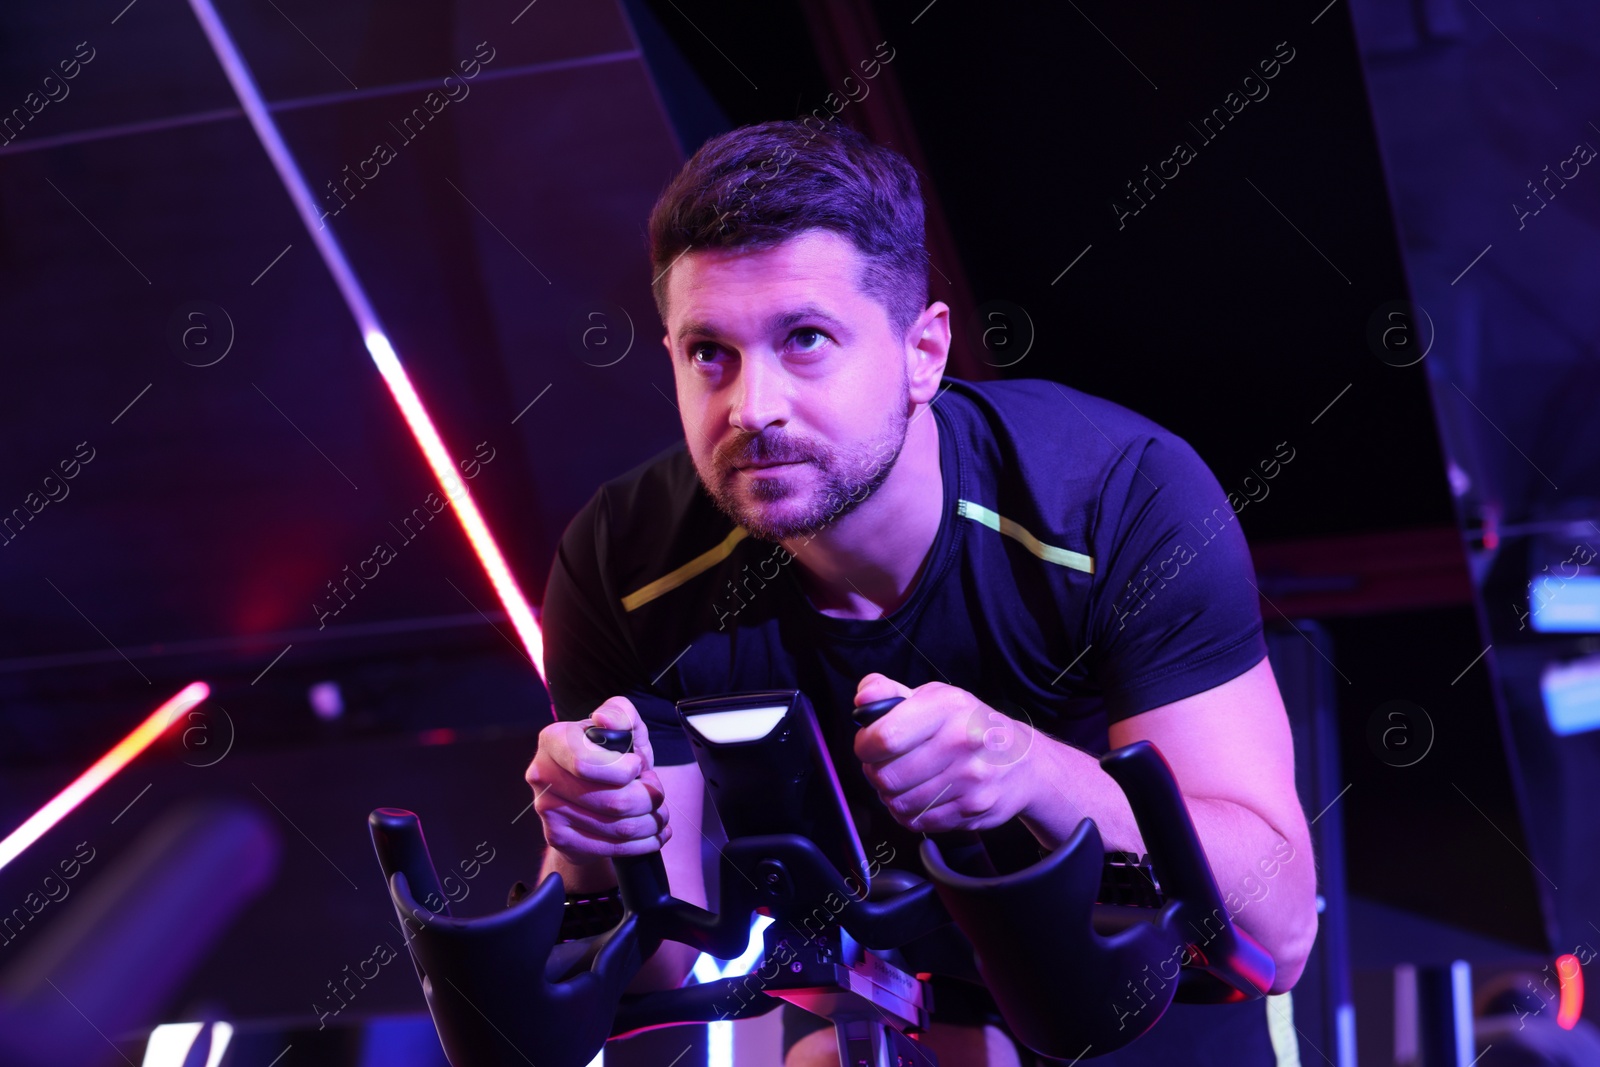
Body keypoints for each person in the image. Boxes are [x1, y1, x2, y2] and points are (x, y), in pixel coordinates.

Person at [526, 117, 1319, 1066]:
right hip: (893, 1009)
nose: (753, 407)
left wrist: (1032, 769)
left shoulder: (1119, 497)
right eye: (710, 354)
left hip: (1152, 1010)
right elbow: (660, 961)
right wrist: (589, 848)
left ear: (923, 352)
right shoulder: (624, 562)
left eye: (806, 339)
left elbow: (1278, 921)